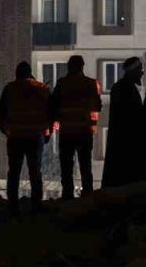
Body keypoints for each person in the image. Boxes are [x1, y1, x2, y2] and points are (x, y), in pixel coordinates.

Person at [0, 62, 50, 215]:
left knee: (14, 172)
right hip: (35, 136)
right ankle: (36, 205)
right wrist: (47, 134)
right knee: (35, 172)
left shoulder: (10, 89)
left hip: (16, 137)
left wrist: (6, 131)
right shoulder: (42, 89)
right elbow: (50, 113)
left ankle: (12, 205)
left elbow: (0, 113)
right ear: (30, 73)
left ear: (17, 73)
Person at [50, 55, 102, 199]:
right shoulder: (90, 83)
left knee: (66, 166)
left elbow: (53, 107)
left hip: (67, 131)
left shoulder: (62, 83)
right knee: (85, 165)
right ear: (82, 66)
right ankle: (88, 194)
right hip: (84, 130)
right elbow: (97, 106)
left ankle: (67, 194)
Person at [102, 57, 146, 188]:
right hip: (127, 143)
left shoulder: (120, 87)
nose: (142, 73)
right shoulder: (126, 89)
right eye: (140, 69)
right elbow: (133, 116)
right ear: (133, 71)